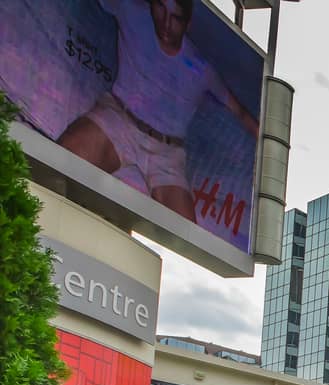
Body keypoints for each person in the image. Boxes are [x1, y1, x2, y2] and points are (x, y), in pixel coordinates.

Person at [55, 0, 261, 225]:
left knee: (187, 237)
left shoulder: (200, 69)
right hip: (118, 119)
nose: (165, 23)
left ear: (187, 23)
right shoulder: (134, 13)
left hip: (167, 153)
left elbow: (240, 112)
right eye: (160, 8)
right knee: (57, 162)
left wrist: (270, 150)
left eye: (176, 18)